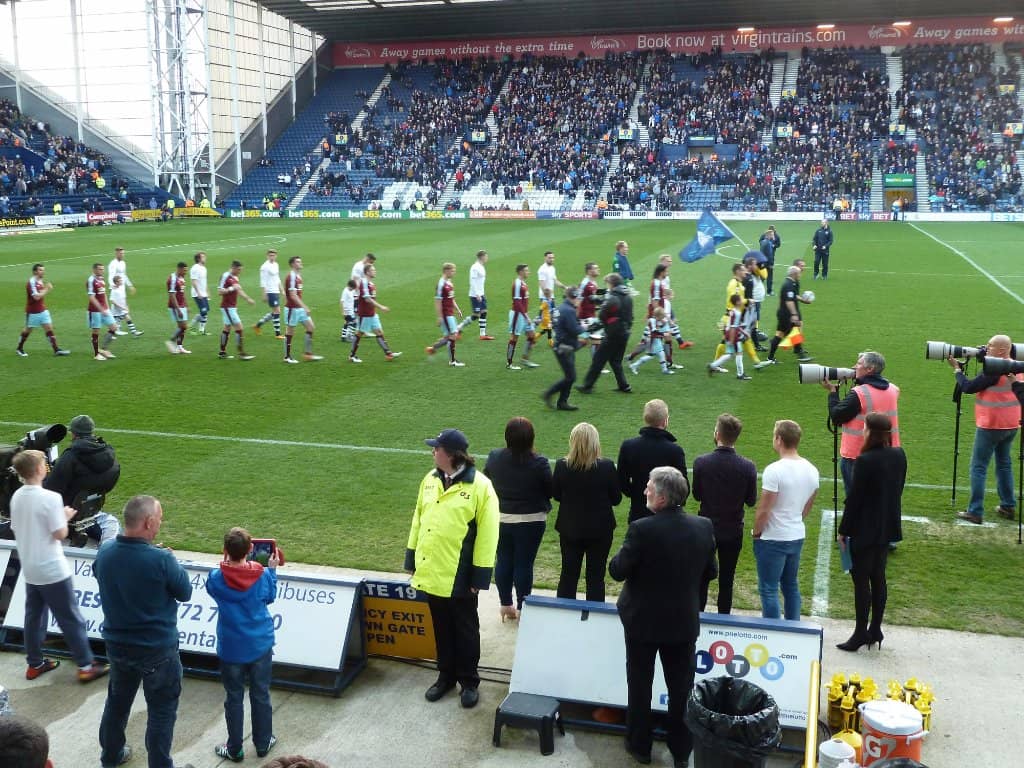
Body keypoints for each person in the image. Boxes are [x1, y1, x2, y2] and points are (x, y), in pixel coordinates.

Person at [608, 466, 717, 768]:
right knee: (681, 689)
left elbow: (618, 570)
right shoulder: (703, 526)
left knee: (640, 684)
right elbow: (712, 571)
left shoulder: (642, 529)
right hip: (682, 622)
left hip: (642, 621)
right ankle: (681, 751)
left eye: (648, 488)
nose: (644, 491)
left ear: (662, 498)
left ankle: (639, 746)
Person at [95, 495, 193, 768]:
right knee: (161, 713)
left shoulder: (105, 553)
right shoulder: (161, 559)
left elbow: (104, 573)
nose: (160, 525)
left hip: (118, 648)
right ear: (149, 522)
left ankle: (110, 757)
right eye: (159, 520)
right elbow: (185, 591)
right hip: (157, 652)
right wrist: (170, 560)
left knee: (117, 704)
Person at [405, 429, 499, 709]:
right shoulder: (430, 480)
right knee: (441, 627)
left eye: (437, 448)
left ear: (452, 455)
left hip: (460, 575)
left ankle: (469, 682)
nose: (433, 452)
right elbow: (417, 520)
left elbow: (488, 534)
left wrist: (479, 576)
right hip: (432, 570)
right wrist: (412, 560)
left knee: (466, 630)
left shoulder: (481, 487)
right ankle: (445, 676)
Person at [10, 449, 110, 683]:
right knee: (70, 617)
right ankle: (86, 665)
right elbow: (60, 534)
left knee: (34, 616)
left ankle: (34, 663)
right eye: (44, 463)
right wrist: (64, 517)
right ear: (38, 470)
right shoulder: (50, 499)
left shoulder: (17, 497)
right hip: (52, 569)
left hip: (31, 567)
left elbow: (18, 527)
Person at [206, 527, 281, 762]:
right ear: (250, 550)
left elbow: (213, 587)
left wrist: (226, 564)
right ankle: (262, 743)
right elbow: (270, 597)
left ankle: (234, 748)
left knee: (234, 697)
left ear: (225, 551)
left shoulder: (216, 577)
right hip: (259, 644)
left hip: (232, 648)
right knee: (261, 694)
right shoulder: (263, 575)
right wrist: (272, 570)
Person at [837, 412, 906, 651]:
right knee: (878, 577)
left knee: (861, 580)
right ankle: (875, 629)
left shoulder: (865, 460)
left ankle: (859, 633)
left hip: (865, 528)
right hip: (886, 525)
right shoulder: (899, 454)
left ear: (870, 432)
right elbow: (899, 489)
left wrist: (843, 530)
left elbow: (855, 500)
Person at [483, 417, 552, 621]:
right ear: (531, 438)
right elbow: (550, 490)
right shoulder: (539, 462)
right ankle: (522, 606)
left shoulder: (495, 457)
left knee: (503, 559)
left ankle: (506, 605)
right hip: (531, 520)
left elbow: (486, 482)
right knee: (524, 563)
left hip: (500, 518)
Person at [949, 334, 1022, 524]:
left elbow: (969, 387)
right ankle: (1008, 505)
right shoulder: (1018, 365)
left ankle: (975, 511)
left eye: (990, 346)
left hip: (991, 424)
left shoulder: (995, 370)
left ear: (1000, 351)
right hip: (1012, 423)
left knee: (978, 467)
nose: (985, 348)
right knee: (1004, 464)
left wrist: (957, 371)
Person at [752, 420, 819, 621]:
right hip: (796, 534)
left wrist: (756, 532)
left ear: (779, 439)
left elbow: (764, 509)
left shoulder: (774, 470)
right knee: (790, 585)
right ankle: (793, 631)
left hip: (772, 538)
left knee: (769, 589)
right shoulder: (812, 470)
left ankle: (773, 635)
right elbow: (807, 507)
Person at [692, 413, 757, 614]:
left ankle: (698, 617)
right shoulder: (748, 466)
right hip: (732, 530)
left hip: (706, 530)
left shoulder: (701, 462)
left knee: (702, 577)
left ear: (717, 434)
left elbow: (696, 495)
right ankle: (724, 620)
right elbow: (751, 500)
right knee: (727, 579)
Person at [553, 422, 622, 602]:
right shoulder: (606, 467)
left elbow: (556, 495)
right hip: (600, 530)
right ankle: (594, 619)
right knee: (596, 576)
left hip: (570, 528)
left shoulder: (562, 466)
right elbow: (616, 499)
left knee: (568, 573)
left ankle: (564, 615)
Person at [825, 350, 900, 492]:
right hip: (890, 452)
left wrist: (833, 393)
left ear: (870, 369)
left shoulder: (860, 393)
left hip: (858, 454)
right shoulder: (893, 389)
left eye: (859, 364)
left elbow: (836, 416)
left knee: (857, 499)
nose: (854, 367)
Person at [44, 414, 121, 545]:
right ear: (92, 431)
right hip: (91, 508)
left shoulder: (71, 456)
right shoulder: (107, 453)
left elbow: (51, 490)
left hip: (68, 510)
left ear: (73, 434)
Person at [617, 399, 687, 524]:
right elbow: (683, 488)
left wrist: (637, 494)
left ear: (646, 419)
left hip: (638, 513)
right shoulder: (674, 450)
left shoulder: (628, 446)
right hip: (668, 516)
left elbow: (622, 481)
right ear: (665, 420)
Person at [577, 273, 633, 394]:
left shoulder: (613, 297)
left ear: (611, 284)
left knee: (598, 359)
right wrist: (597, 300)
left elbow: (603, 316)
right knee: (615, 361)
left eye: (607, 284)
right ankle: (624, 386)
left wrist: (588, 330)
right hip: (625, 333)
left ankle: (587, 386)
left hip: (613, 334)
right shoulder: (627, 296)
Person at [542, 287, 589, 411]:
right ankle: (549, 393)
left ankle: (562, 402)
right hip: (565, 347)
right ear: (574, 297)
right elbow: (574, 329)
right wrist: (587, 331)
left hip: (563, 345)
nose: (580, 300)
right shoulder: (569, 310)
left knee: (570, 376)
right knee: (571, 377)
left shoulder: (561, 308)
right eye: (578, 298)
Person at [756, 265, 813, 366]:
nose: (800, 275)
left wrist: (803, 300)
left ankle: (770, 357)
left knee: (779, 335)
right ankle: (800, 354)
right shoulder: (788, 285)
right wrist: (794, 314)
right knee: (794, 333)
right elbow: (789, 301)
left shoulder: (792, 283)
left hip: (784, 314)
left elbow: (793, 296)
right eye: (799, 273)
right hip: (786, 315)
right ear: (794, 274)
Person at [16, 263, 71, 357]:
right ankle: (19, 348)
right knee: (27, 330)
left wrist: (44, 289)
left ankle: (56, 350)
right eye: (40, 270)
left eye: (43, 270)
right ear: (35, 272)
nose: (43, 272)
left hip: (42, 310)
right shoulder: (31, 282)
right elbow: (36, 297)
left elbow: (40, 294)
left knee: (49, 328)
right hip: (32, 311)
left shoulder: (40, 280)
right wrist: (47, 289)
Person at [349, 263, 400, 363]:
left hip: (372, 313)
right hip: (365, 314)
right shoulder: (364, 283)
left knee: (379, 332)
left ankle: (388, 353)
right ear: (367, 272)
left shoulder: (371, 284)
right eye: (373, 270)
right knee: (360, 333)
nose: (375, 271)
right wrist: (381, 307)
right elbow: (367, 299)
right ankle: (352, 356)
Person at [282, 256, 323, 364]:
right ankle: (287, 356)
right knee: (290, 331)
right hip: (292, 309)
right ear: (292, 264)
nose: (300, 263)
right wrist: (304, 306)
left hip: (299, 308)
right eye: (298, 262)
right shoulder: (291, 277)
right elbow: (292, 295)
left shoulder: (298, 276)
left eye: (300, 261)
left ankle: (308, 354)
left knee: (310, 327)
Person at [426, 262, 464, 366]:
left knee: (451, 336)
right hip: (445, 314)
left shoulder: (450, 282)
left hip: (450, 313)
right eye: (452, 271)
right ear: (446, 271)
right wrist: (439, 317)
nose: (454, 273)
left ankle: (432, 348)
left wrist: (457, 309)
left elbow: (451, 298)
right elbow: (437, 301)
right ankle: (452, 361)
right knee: (452, 335)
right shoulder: (441, 284)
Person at [707, 293, 752, 381]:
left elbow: (735, 325)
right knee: (739, 353)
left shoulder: (732, 311)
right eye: (740, 299)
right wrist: (732, 340)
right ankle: (740, 374)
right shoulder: (737, 313)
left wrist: (744, 333)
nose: (742, 301)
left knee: (729, 354)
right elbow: (733, 327)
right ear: (738, 302)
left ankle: (713, 366)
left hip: (729, 334)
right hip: (733, 336)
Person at [218, 260, 256, 361]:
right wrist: (231, 288)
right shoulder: (225, 276)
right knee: (239, 328)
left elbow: (238, 290)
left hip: (231, 306)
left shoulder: (235, 277)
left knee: (227, 328)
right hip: (227, 307)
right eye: (238, 270)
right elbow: (220, 292)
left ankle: (222, 352)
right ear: (233, 268)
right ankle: (241, 353)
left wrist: (247, 298)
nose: (240, 272)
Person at [507, 264, 539, 370]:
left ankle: (525, 359)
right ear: (520, 272)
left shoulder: (523, 283)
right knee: (514, 338)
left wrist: (526, 315)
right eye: (526, 270)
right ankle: (509, 363)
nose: (528, 272)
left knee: (532, 336)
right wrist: (526, 316)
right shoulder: (517, 284)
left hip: (523, 314)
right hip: (517, 314)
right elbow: (516, 302)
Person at [86, 263, 120, 361]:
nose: (102, 271)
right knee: (96, 331)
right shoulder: (91, 280)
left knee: (114, 327)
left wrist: (107, 308)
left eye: (103, 269)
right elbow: (91, 297)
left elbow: (104, 294)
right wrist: (101, 309)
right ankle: (96, 354)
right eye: (100, 269)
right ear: (94, 270)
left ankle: (103, 349)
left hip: (104, 309)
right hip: (95, 310)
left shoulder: (101, 279)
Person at [459, 249, 494, 340]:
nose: (487, 258)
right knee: (476, 315)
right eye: (486, 256)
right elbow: (472, 281)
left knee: (484, 312)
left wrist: (481, 293)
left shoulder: (481, 266)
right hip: (475, 295)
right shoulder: (475, 267)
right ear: (482, 257)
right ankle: (459, 328)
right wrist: (477, 294)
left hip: (481, 294)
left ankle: (482, 334)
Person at [628, 306, 674, 375]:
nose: (662, 318)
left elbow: (662, 327)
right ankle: (634, 365)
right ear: (658, 316)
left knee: (661, 353)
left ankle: (664, 370)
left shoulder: (658, 320)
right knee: (651, 355)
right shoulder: (652, 321)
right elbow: (654, 332)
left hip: (656, 340)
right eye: (662, 317)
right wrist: (664, 334)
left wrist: (667, 327)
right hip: (652, 341)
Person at [107, 248, 142, 336]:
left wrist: (130, 285)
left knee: (122, 312)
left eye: (123, 253)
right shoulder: (113, 264)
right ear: (116, 253)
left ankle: (117, 330)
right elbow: (110, 275)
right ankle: (116, 330)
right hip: (116, 289)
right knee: (122, 312)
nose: (122, 255)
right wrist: (112, 286)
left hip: (121, 289)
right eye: (121, 253)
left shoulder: (123, 263)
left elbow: (124, 275)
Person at [254, 249, 283, 339]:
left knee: (276, 311)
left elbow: (277, 278)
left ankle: (258, 325)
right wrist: (264, 293)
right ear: (267, 256)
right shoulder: (264, 267)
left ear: (276, 256)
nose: (272, 257)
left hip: (276, 290)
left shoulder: (276, 264)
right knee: (277, 311)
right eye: (270, 255)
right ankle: (277, 334)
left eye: (273, 255)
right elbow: (263, 281)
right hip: (270, 291)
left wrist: (282, 290)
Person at [164, 262, 191, 355]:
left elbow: (182, 293)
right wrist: (178, 309)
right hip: (175, 306)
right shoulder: (172, 279)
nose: (185, 272)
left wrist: (186, 305)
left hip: (182, 305)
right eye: (184, 270)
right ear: (179, 269)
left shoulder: (181, 278)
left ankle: (180, 347)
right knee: (183, 326)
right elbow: (172, 295)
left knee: (182, 327)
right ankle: (171, 341)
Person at [189, 251, 210, 336]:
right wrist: (198, 293)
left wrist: (207, 291)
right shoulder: (195, 268)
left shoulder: (204, 268)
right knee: (204, 311)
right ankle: (191, 326)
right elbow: (193, 281)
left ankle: (202, 330)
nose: (205, 258)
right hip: (197, 293)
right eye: (203, 257)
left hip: (203, 293)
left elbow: (204, 281)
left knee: (206, 310)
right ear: (198, 259)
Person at [758, 226, 781, 295]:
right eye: (772, 235)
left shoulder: (764, 242)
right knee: (769, 276)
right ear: (770, 235)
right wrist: (771, 264)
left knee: (762, 276)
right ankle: (769, 291)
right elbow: (770, 255)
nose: (774, 236)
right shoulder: (769, 244)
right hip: (767, 262)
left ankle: (758, 290)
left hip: (762, 261)